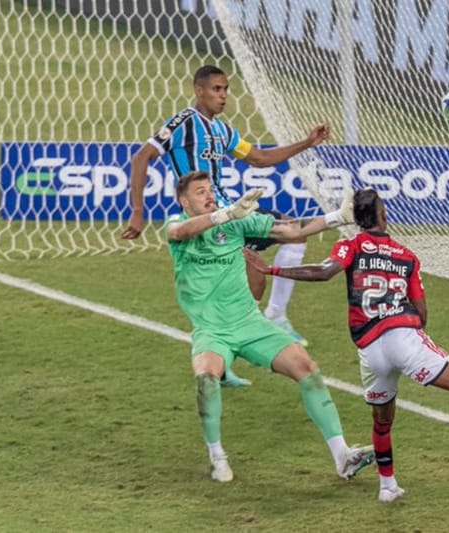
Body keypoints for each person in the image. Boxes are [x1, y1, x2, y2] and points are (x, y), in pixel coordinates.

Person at [243, 188, 449, 503]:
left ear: (356, 219)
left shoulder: (350, 246)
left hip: (370, 350)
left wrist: (272, 269)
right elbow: (421, 314)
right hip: (402, 335)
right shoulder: (406, 256)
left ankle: (387, 486)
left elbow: (324, 272)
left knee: (382, 422)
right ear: (383, 215)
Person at [167, 170, 374, 483]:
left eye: (210, 189)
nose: (209, 195)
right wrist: (224, 213)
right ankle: (217, 455)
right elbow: (181, 232)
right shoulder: (176, 224)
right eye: (200, 192)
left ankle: (343, 455)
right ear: (184, 201)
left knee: (308, 369)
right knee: (207, 379)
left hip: (250, 324)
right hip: (211, 330)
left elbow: (290, 230)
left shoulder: (238, 223)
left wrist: (338, 217)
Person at [121, 64, 320, 357]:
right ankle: (243, 336)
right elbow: (142, 157)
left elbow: (260, 158)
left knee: (283, 245)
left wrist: (307, 142)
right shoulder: (184, 122)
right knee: (260, 270)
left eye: (226, 89)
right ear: (199, 91)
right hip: (208, 222)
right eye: (216, 89)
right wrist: (138, 210)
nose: (223, 95)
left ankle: (256, 328)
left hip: (232, 213)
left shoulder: (222, 130)